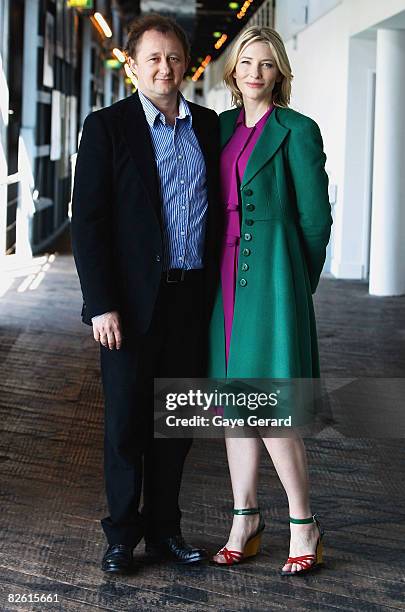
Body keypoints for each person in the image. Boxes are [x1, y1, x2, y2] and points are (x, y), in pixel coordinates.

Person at [71, 14, 221, 574]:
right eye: (153, 58)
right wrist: (100, 303)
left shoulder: (207, 126)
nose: (165, 67)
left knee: (176, 425)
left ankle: (165, 531)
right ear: (132, 65)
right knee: (127, 425)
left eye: (174, 57)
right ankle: (120, 536)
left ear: (187, 63)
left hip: (190, 301)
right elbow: (88, 222)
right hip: (130, 307)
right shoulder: (107, 127)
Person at [208, 26, 332, 575]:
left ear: (279, 72)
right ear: (232, 71)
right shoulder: (217, 129)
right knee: (234, 407)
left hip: (275, 281)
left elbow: (315, 220)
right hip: (223, 280)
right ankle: (245, 518)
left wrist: (295, 283)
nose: (254, 72)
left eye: (266, 63)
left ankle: (304, 523)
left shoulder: (297, 130)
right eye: (246, 62)